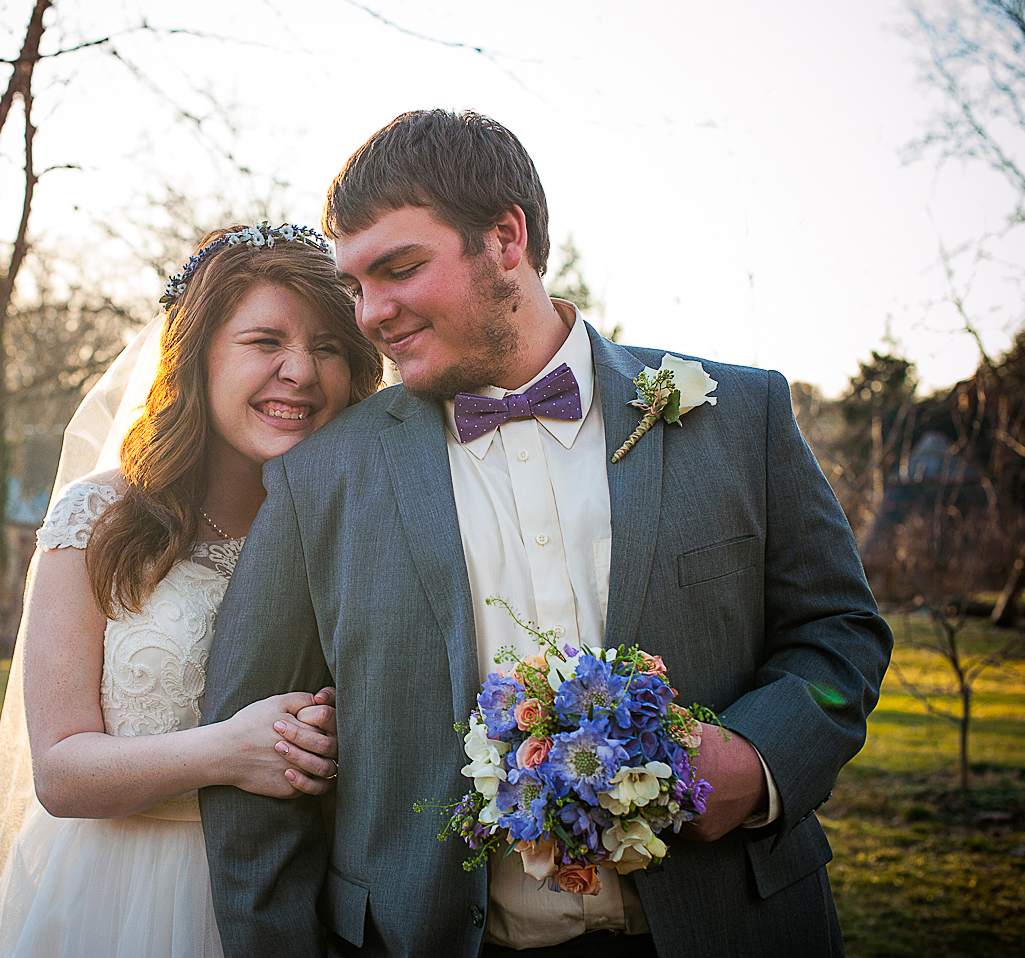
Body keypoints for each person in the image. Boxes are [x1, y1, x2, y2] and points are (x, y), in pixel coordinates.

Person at [200, 111, 893, 958]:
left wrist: (760, 760)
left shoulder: (739, 418)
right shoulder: (320, 479)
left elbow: (840, 632)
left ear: (505, 238)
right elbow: (255, 767)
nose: (371, 313)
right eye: (355, 283)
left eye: (401, 268)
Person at [0, 222, 385, 958]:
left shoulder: (361, 524)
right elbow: (62, 774)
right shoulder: (99, 518)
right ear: (195, 358)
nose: (300, 370)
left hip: (306, 895)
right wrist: (227, 752)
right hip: (124, 894)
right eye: (265, 342)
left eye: (328, 347)